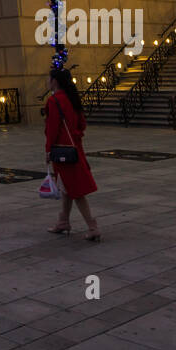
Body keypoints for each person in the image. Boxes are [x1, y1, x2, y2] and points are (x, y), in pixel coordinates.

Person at [44, 66, 101, 240]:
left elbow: (52, 128)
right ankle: (63, 222)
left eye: (49, 78)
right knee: (68, 187)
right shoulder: (73, 98)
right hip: (75, 148)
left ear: (55, 81)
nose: (47, 81)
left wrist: (48, 150)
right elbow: (82, 124)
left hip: (62, 151)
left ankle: (92, 226)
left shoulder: (54, 101)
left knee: (75, 189)